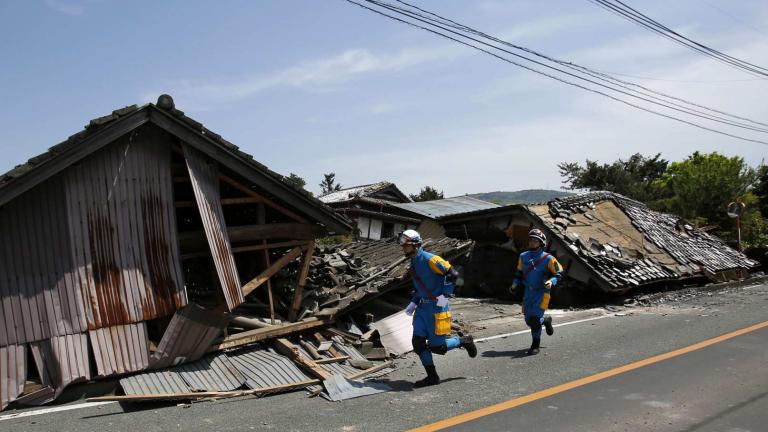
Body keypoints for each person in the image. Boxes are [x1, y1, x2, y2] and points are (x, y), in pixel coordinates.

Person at [400, 229, 477, 387]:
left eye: (406, 245)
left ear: (415, 245)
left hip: (438, 305)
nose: (403, 248)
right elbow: (419, 288)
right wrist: (413, 302)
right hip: (422, 308)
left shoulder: (431, 259)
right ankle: (432, 377)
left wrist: (445, 296)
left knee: (439, 348)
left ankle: (464, 340)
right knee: (418, 343)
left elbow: (453, 274)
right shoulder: (413, 264)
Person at [510, 228, 563, 355]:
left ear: (541, 243)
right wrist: (514, 284)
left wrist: (552, 281)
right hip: (528, 292)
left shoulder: (548, 258)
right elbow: (519, 273)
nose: (532, 243)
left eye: (536, 241)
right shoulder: (523, 256)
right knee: (528, 320)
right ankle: (545, 320)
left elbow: (559, 273)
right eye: (531, 240)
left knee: (534, 320)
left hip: (542, 292)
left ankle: (535, 344)